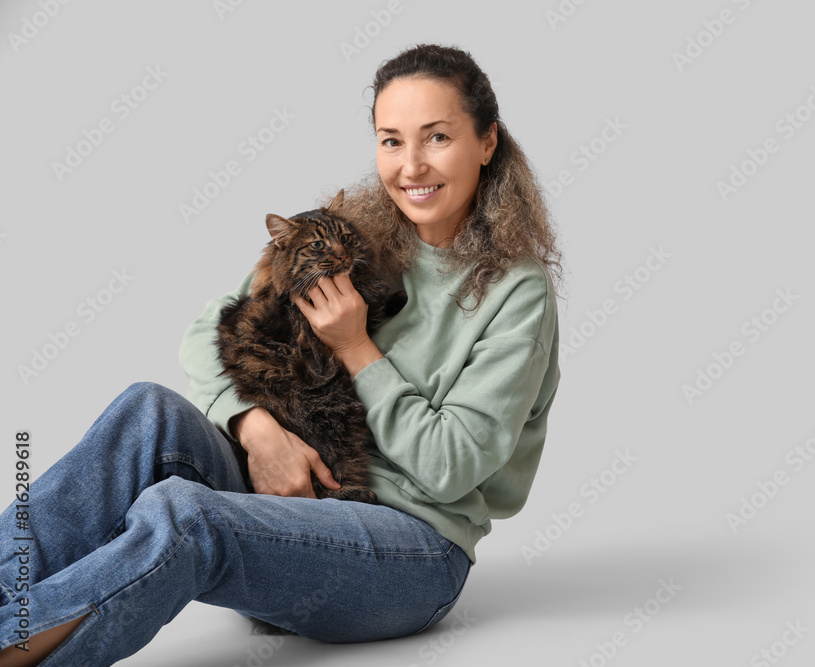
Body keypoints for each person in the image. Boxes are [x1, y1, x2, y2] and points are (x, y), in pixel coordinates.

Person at [0, 43, 561, 666]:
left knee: (184, 516)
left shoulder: (516, 291)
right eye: (391, 140)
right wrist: (254, 426)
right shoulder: (351, 236)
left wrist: (355, 347)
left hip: (410, 550)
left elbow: (450, 467)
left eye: (436, 137)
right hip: (286, 511)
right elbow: (211, 332)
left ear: (487, 142)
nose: (410, 166)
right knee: (146, 411)